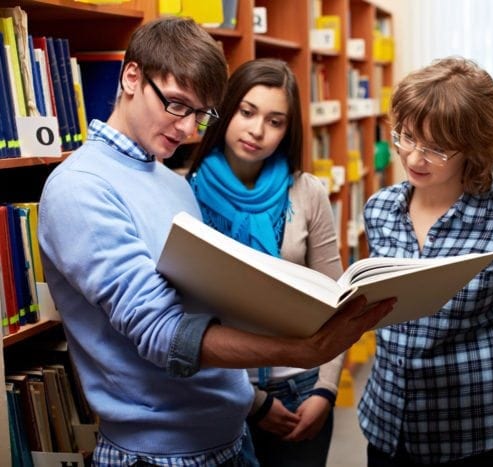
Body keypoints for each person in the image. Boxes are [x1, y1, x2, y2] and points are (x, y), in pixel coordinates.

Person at [37, 17, 393, 467]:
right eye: (176, 105)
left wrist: (256, 399)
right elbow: (161, 333)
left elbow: (198, 306)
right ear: (131, 77)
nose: (188, 130)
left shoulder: (170, 182)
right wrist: (301, 350)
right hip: (161, 453)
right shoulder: (80, 187)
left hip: (228, 438)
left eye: (200, 114)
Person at [358, 56, 493, 466]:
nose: (414, 157)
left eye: (436, 148)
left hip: (476, 435)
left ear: (474, 148)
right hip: (387, 426)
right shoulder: (379, 209)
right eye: (405, 136)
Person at [187, 58, 343, 467]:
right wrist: (251, 402)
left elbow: (339, 301)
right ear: (226, 110)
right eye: (247, 112)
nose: (257, 131)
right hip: (219, 392)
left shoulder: (306, 192)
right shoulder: (186, 191)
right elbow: (182, 315)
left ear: (288, 131)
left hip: (300, 389)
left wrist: (325, 391)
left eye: (275, 121)